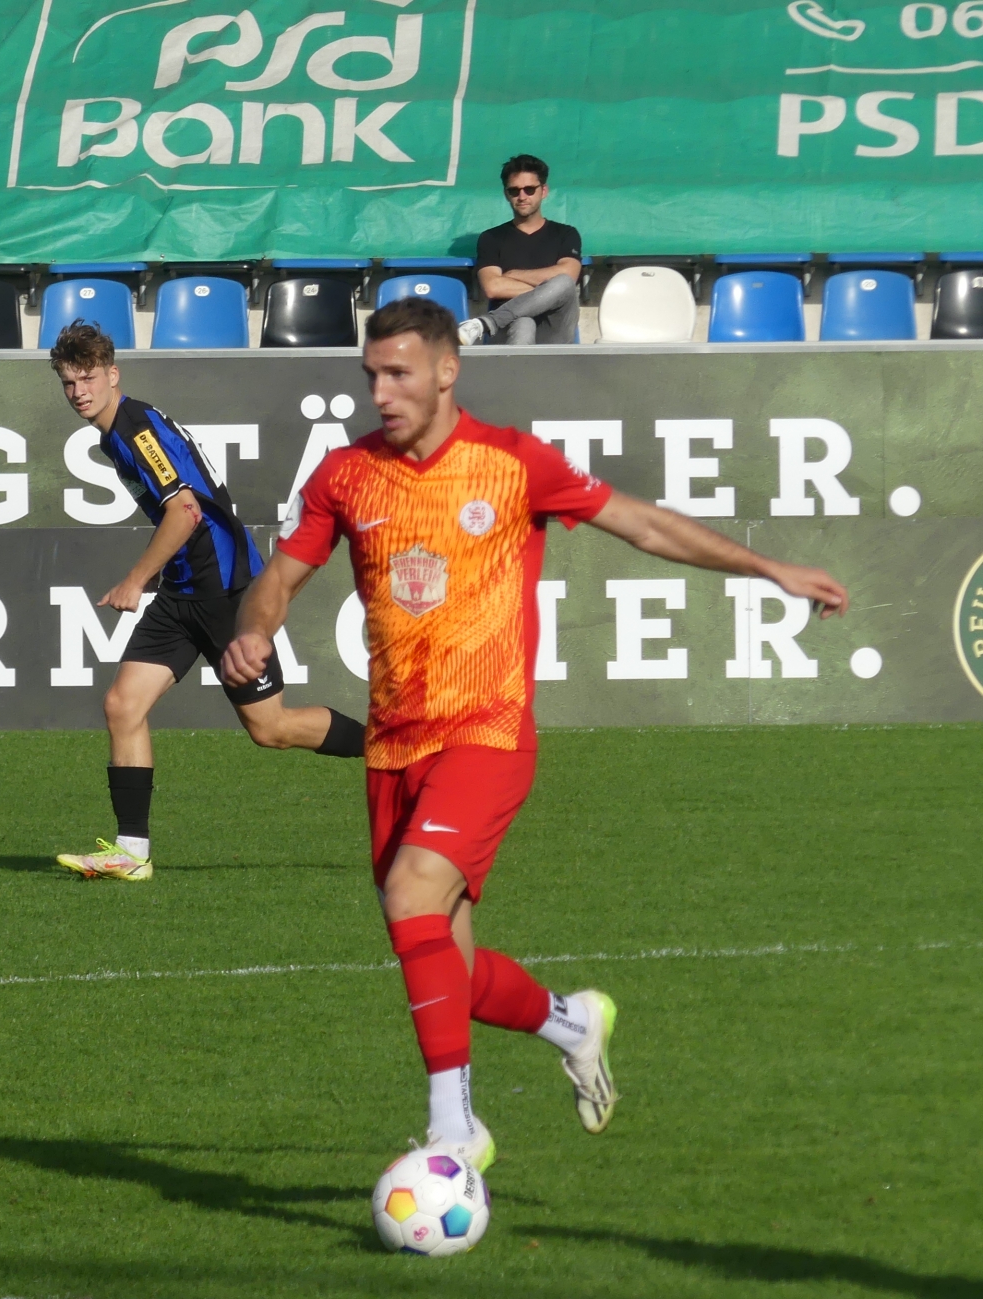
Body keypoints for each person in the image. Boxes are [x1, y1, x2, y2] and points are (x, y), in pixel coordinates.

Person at [222, 298, 848, 1171]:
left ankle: (454, 1130)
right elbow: (279, 580)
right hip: (393, 747)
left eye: (399, 373)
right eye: (372, 375)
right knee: (445, 964)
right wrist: (255, 629)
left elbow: (641, 522)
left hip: (487, 731)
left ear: (448, 370)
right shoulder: (346, 474)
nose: (381, 391)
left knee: (412, 894)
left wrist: (764, 566)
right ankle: (573, 1022)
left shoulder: (513, 462)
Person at [47, 321, 365, 882]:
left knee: (270, 729)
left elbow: (186, 511)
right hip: (183, 591)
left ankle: (394, 745)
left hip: (225, 592)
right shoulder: (115, 433)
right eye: (69, 382)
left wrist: (135, 579)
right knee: (123, 705)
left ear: (113, 375)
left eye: (88, 378)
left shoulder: (134, 429)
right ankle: (132, 853)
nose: (79, 392)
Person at [460, 154, 583, 348]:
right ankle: (518, 366)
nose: (522, 196)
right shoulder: (491, 238)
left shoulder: (566, 234)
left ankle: (486, 323)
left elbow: (569, 277)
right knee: (524, 321)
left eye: (529, 189)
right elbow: (492, 287)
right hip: (509, 329)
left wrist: (513, 275)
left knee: (564, 282)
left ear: (543, 191)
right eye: (514, 190)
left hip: (554, 329)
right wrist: (548, 293)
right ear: (506, 194)